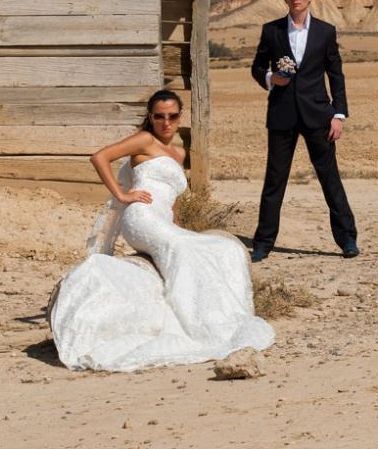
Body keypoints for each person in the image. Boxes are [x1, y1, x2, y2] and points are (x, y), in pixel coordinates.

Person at [48, 90, 274, 372]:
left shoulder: (178, 153)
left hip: (163, 220)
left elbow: (172, 197)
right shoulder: (145, 140)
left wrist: (176, 222)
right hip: (142, 217)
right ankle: (196, 325)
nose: (166, 123)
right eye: (159, 116)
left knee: (224, 248)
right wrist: (123, 194)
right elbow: (99, 157)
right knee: (184, 250)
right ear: (150, 117)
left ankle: (224, 318)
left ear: (180, 117)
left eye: (172, 116)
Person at [250, 0, 359, 262]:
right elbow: (257, 68)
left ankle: (348, 239)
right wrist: (272, 78)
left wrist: (338, 114)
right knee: (275, 181)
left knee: (329, 178)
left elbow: (336, 74)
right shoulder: (271, 31)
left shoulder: (325, 32)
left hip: (318, 115)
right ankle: (262, 243)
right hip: (281, 115)